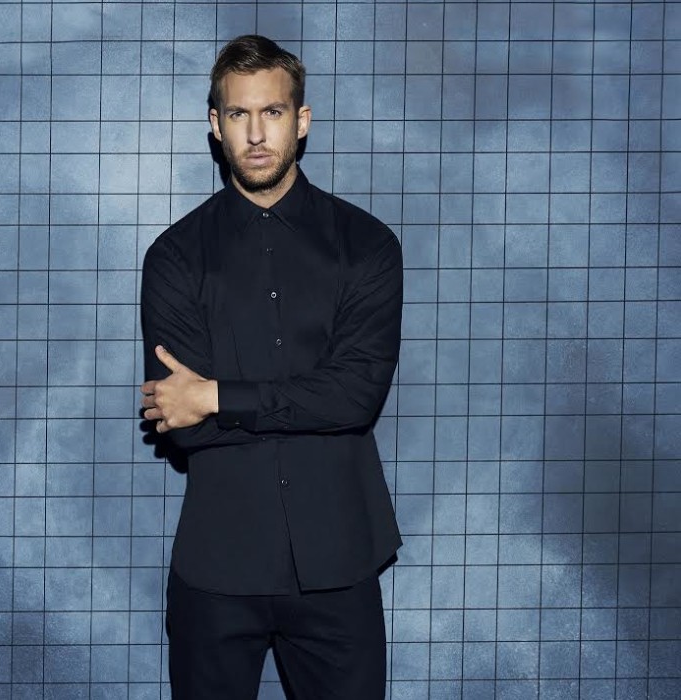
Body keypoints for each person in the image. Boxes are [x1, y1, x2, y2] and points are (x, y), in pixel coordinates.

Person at [139, 34, 403, 699]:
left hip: (339, 563)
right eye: (238, 114)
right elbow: (185, 428)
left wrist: (218, 396)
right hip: (218, 568)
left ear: (301, 120)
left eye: (273, 112)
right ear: (215, 124)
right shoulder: (174, 259)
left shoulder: (368, 246)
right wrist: (301, 402)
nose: (256, 134)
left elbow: (356, 398)